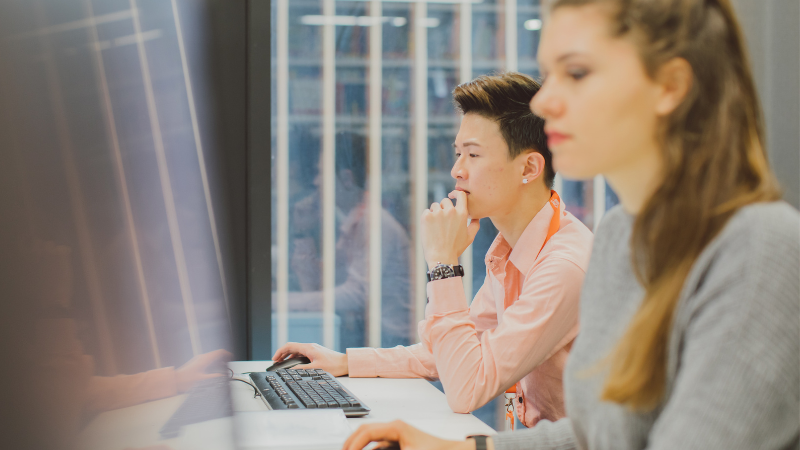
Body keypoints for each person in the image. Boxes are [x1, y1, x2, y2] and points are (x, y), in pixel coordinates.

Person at [342, 0, 800, 449]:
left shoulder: (761, 250)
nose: (544, 100)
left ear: (670, 85)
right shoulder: (622, 235)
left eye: (576, 72)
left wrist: (443, 265)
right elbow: (601, 434)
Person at [275, 72, 594, 428]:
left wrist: (444, 262)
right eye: (458, 153)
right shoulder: (511, 249)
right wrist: (345, 362)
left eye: (473, 154)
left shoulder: (563, 266)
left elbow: (468, 388)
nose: (456, 170)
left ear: (529, 168)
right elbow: (454, 353)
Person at [281, 131, 414, 349]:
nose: (315, 182)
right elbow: (322, 284)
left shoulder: (376, 224)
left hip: (389, 341)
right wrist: (302, 231)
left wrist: (286, 302)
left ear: (347, 179)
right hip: (365, 333)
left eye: (321, 173)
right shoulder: (354, 221)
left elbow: (356, 295)